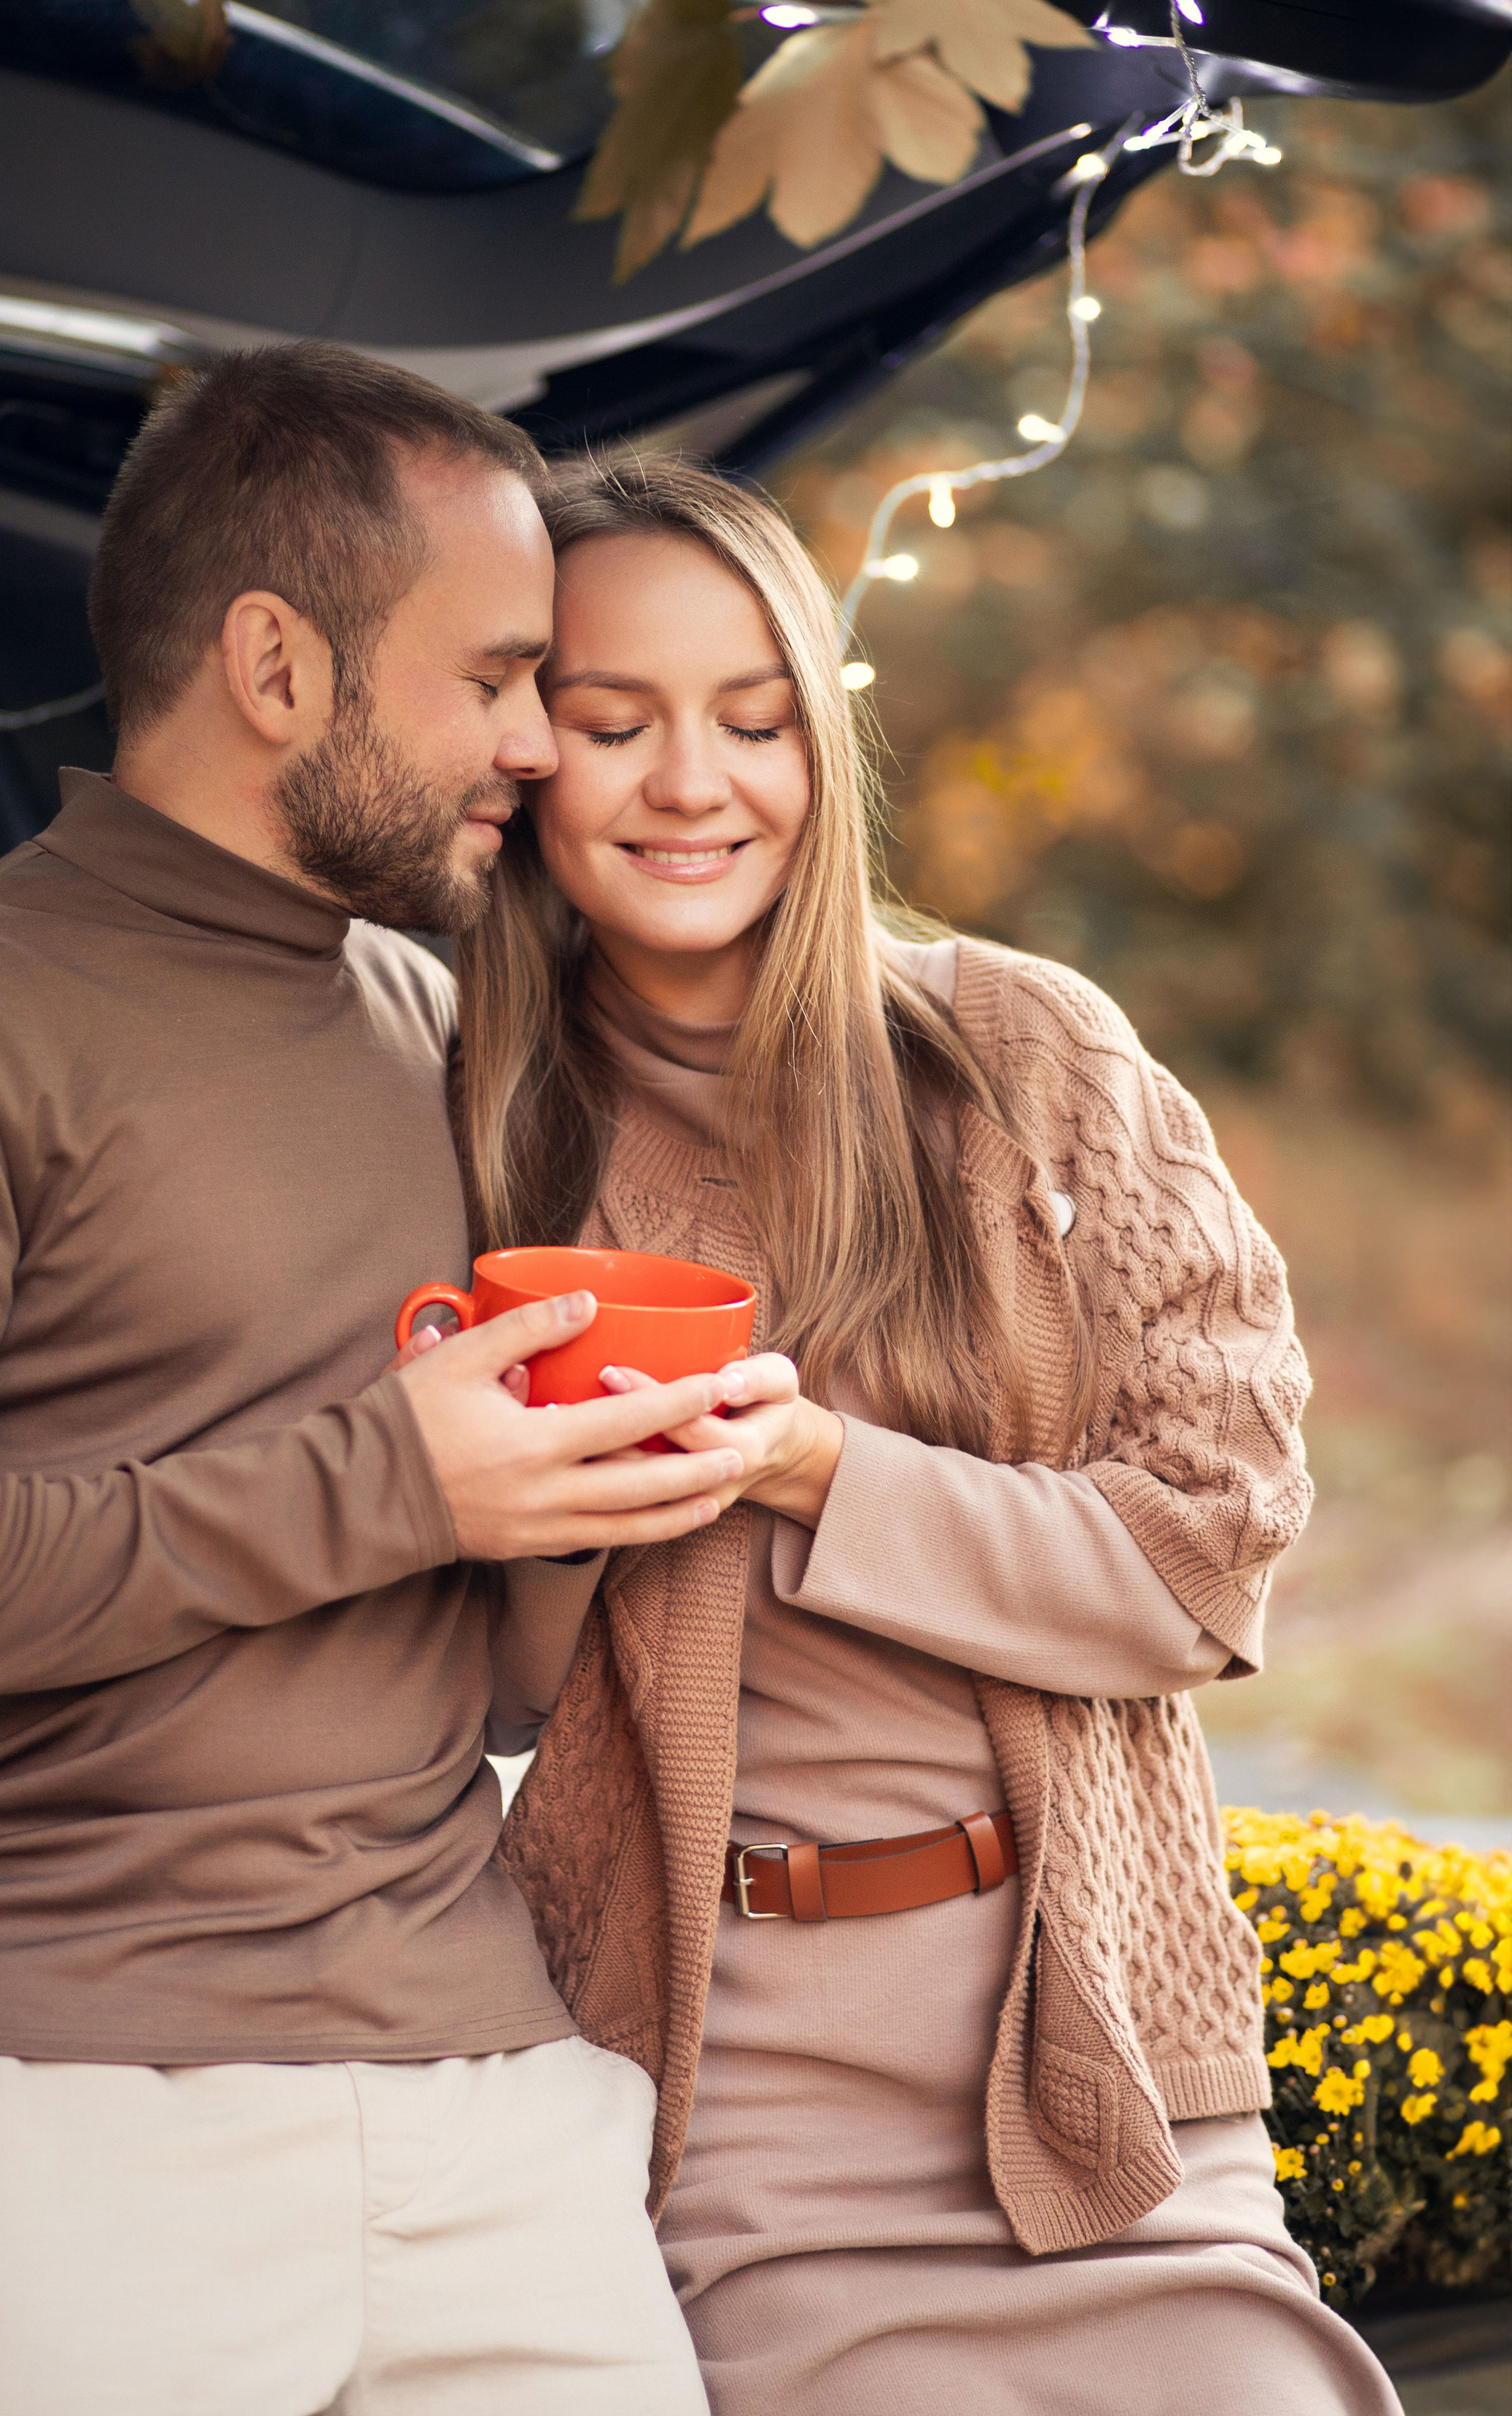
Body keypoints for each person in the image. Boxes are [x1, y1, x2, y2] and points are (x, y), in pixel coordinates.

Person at [0, 348, 738, 2415]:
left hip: (487, 2103)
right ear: (276, 663)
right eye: (494, 675)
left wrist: (589, 1485)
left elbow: (489, 1682)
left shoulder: (433, 1011)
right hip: (54, 2116)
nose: (537, 741)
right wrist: (390, 1481)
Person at [463, 454, 1405, 2415]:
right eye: (614, 723)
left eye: (753, 717)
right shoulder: (476, 1127)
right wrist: (557, 1500)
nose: (690, 783)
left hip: (1100, 2041)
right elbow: (467, 1680)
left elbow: (1213, 1546)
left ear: (823, 726)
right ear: (522, 751)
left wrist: (817, 1468)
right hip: (741, 2092)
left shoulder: (1026, 1057)